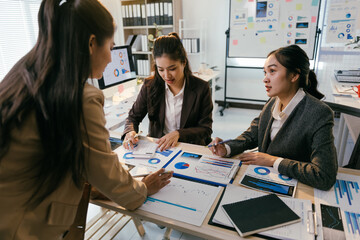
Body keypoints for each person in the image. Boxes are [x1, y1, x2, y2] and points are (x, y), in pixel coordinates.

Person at [0, 0, 172, 239]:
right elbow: (108, 175)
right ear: (92, 43)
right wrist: (143, 188)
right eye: (110, 47)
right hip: (21, 227)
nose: (112, 59)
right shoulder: (82, 98)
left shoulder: (23, 73)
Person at [210, 45, 338, 191]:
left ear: (294, 75)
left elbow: (324, 176)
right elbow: (253, 134)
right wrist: (226, 148)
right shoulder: (273, 101)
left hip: (298, 189)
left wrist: (274, 161)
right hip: (265, 179)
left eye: (272, 71)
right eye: (265, 72)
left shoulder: (319, 113)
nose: (265, 79)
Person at [122, 32, 213, 151]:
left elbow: (206, 128)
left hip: (189, 147)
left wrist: (179, 134)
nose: (166, 76)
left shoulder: (201, 88)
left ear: (184, 63)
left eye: (172, 69)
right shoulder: (150, 86)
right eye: (161, 70)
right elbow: (133, 117)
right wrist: (130, 132)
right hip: (159, 147)